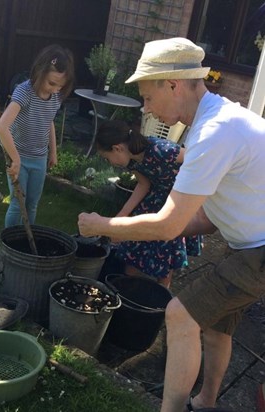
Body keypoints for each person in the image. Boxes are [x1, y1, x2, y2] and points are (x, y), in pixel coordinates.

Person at [78, 37, 265, 412]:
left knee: (180, 315)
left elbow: (167, 225)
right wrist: (163, 226)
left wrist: (106, 224)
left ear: (173, 84)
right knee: (214, 326)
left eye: (148, 97)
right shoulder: (215, 121)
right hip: (247, 244)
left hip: (257, 252)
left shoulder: (215, 132)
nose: (146, 110)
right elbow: (209, 218)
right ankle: (206, 402)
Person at [96, 119, 202, 288]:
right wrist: (122, 216)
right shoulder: (132, 161)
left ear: (117, 148)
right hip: (153, 201)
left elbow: (199, 160)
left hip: (176, 204)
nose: (111, 163)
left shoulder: (162, 150)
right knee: (132, 247)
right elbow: (143, 184)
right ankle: (124, 290)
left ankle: (161, 297)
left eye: (107, 158)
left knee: (165, 255)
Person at [0, 44, 75, 227]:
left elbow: (49, 123)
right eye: (51, 83)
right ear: (40, 73)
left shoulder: (55, 97)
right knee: (18, 204)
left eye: (60, 86)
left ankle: (27, 240)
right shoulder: (24, 92)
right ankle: (8, 243)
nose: (55, 89)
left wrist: (53, 152)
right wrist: (15, 159)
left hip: (39, 158)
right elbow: (2, 127)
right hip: (19, 158)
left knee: (32, 204)